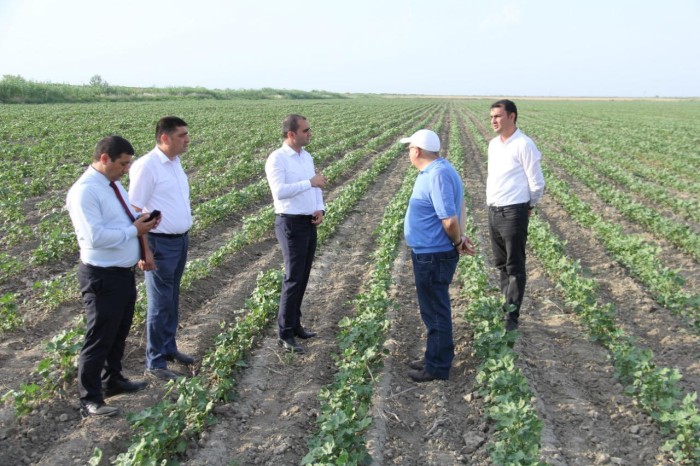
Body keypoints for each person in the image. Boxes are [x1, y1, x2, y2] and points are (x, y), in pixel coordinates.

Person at [66, 135, 158, 417]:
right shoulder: (85, 192)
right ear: (104, 158)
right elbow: (95, 237)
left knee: (118, 332)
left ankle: (112, 380)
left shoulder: (112, 184)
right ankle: (90, 398)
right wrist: (135, 231)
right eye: (123, 163)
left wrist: (141, 223)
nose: (126, 169)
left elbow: (121, 220)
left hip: (121, 273)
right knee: (99, 336)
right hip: (101, 276)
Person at [401, 129, 475, 383]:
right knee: (432, 309)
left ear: (417, 151)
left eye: (409, 148)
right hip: (429, 252)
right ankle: (433, 355)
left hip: (433, 254)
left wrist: (457, 240)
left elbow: (449, 218)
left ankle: (437, 366)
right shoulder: (436, 171)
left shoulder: (438, 175)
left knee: (435, 311)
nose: (408, 152)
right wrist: (459, 238)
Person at [129, 116, 194, 381]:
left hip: (180, 240)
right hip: (159, 242)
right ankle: (154, 362)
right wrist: (144, 251)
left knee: (171, 298)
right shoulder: (147, 166)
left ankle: (168, 348)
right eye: (182, 135)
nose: (187, 139)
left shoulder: (175, 163)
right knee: (158, 303)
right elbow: (135, 210)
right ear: (164, 138)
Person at [265, 114, 326, 354]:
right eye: (305, 130)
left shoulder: (306, 156)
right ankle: (285, 332)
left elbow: (317, 185)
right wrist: (309, 183)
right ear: (291, 134)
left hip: (308, 221)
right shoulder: (277, 159)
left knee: (303, 275)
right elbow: (279, 192)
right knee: (292, 277)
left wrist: (320, 208)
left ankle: (296, 324)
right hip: (290, 223)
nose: (310, 133)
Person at [487, 99, 545, 331]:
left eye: (498, 116)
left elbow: (537, 183)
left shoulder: (524, 144)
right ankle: (506, 307)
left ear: (512, 117)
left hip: (513, 211)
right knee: (501, 264)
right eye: (491, 117)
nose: (493, 121)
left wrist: (527, 206)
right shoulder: (493, 144)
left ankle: (512, 317)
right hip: (494, 210)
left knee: (514, 266)